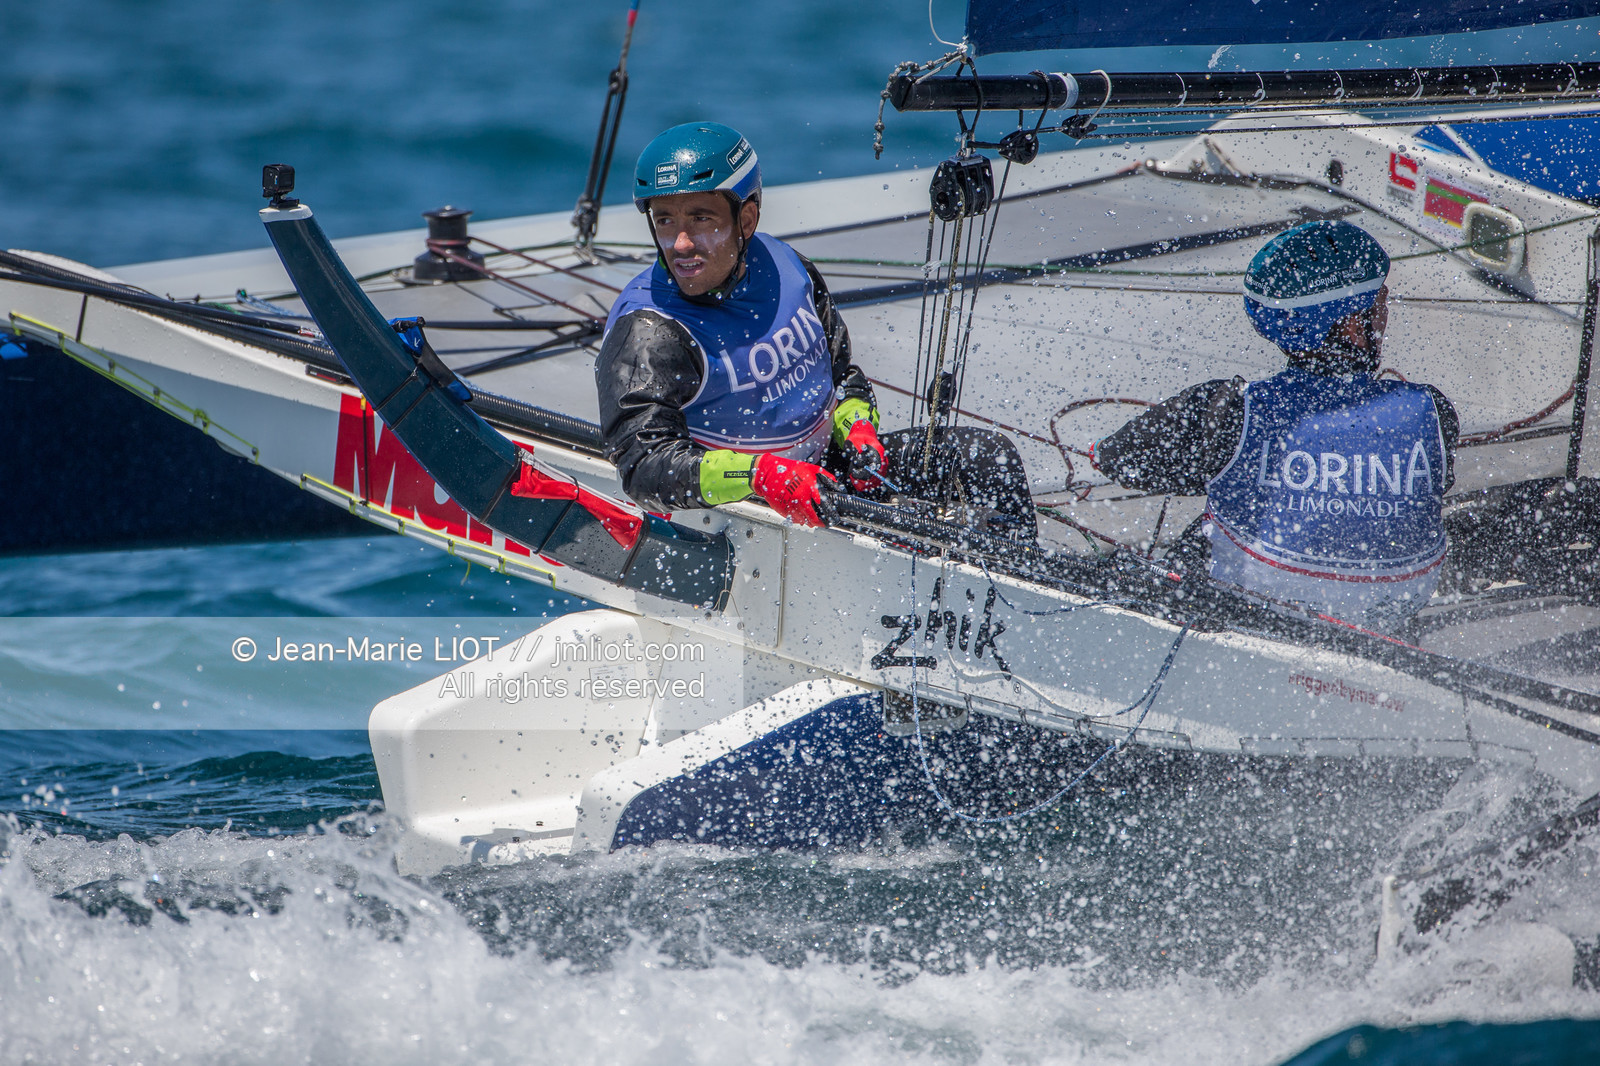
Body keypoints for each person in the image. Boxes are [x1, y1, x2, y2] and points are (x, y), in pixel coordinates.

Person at [596, 121, 1035, 540]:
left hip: (829, 478)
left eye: (701, 219)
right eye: (665, 221)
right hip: (746, 511)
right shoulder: (649, 333)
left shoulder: (787, 267)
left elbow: (842, 375)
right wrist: (758, 475)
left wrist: (858, 428)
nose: (681, 243)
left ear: (746, 219)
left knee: (990, 458)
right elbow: (643, 467)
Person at [1093, 219, 1459, 629]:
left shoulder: (1230, 408)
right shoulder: (1432, 410)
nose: (1385, 315)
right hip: (1387, 617)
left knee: (1214, 521)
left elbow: (1116, 459)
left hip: (1252, 613)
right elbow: (1433, 487)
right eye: (1381, 303)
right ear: (1354, 324)